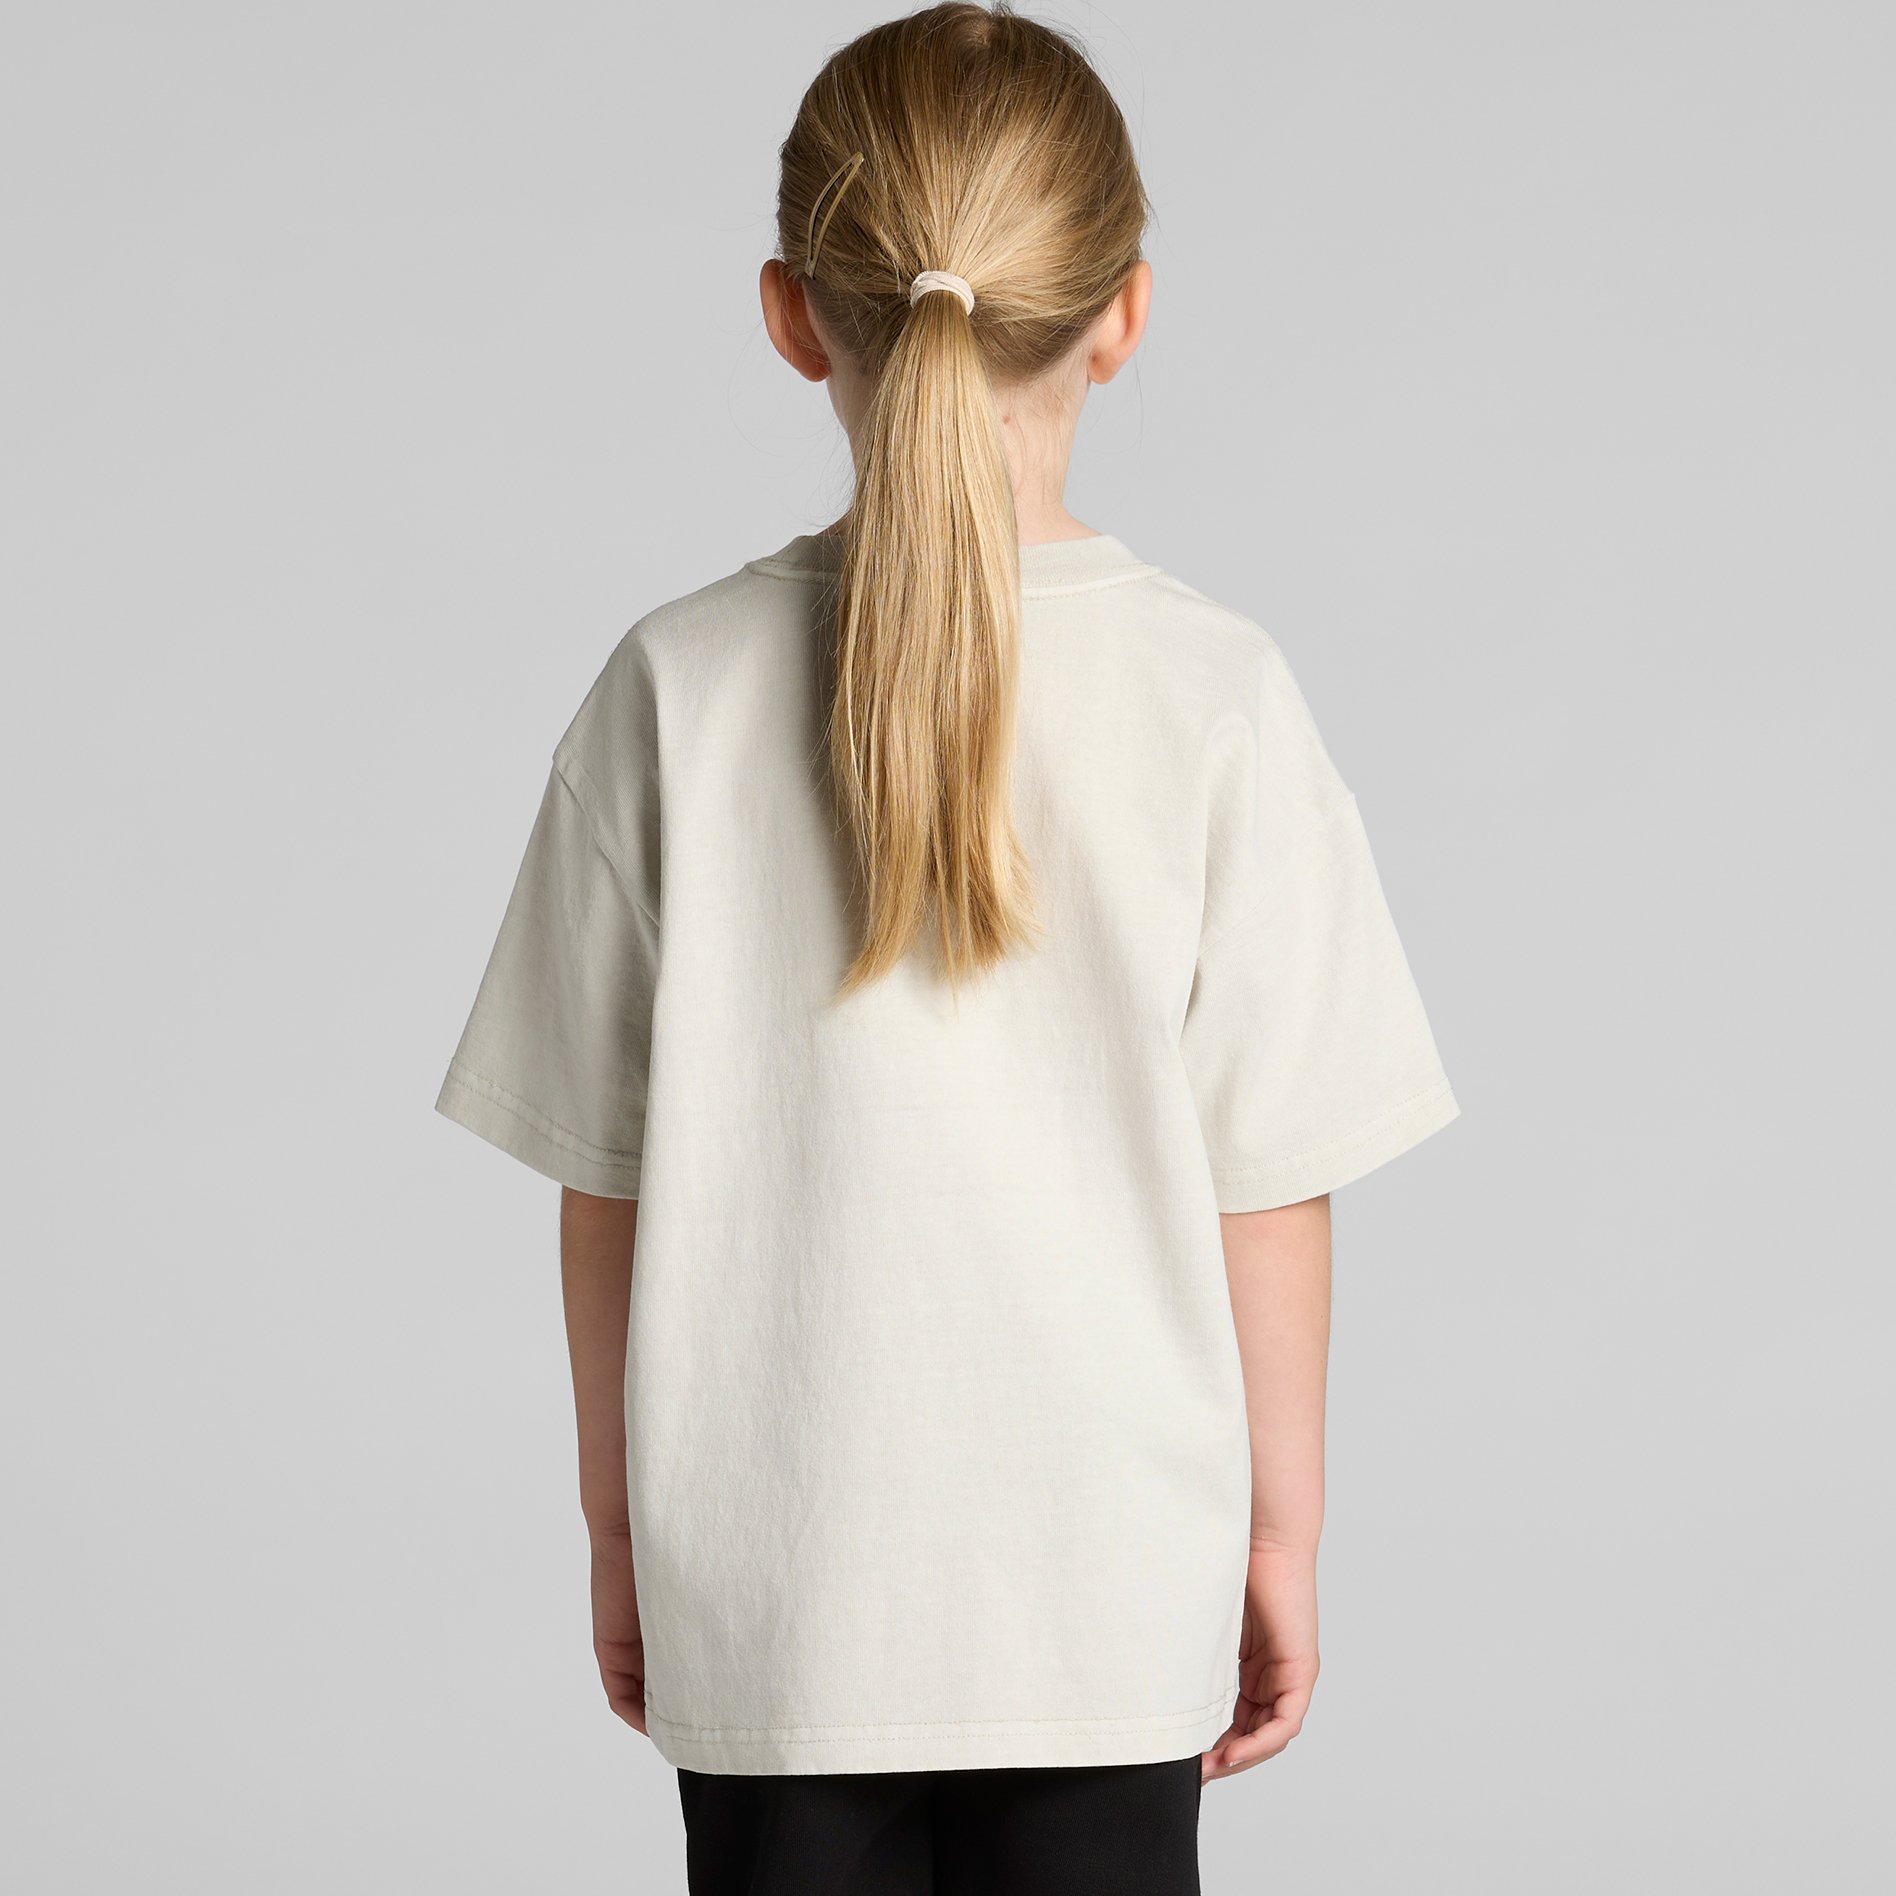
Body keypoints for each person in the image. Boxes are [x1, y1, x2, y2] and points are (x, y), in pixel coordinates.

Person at [435, 5, 1457, 1890]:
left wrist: (622, 1531)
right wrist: (1278, 1539)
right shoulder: (1218, 694)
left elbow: (606, 1180)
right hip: (1109, 1592)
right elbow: (1269, 1186)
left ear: (792, 313)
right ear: (1123, 313)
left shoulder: (673, 687)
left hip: (773, 1594)